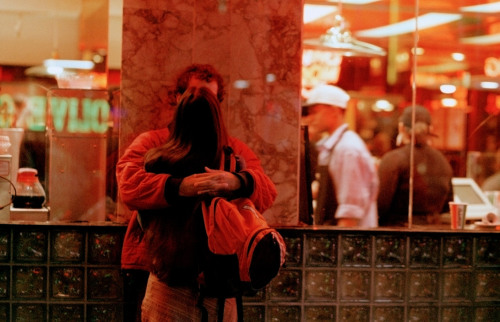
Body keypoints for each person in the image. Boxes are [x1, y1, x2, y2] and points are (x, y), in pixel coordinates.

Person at [116, 64, 277, 321]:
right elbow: (128, 186)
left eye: (208, 97)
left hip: (218, 272)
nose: (198, 101)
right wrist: (180, 187)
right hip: (159, 266)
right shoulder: (151, 144)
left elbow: (266, 191)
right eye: (193, 94)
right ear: (178, 98)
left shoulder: (232, 153)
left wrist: (237, 182)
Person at [302, 84, 379, 228]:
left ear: (334, 111)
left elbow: (350, 212)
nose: (310, 118)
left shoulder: (347, 149)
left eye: (315, 112)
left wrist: (341, 248)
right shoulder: (334, 146)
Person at [377, 105, 453, 226]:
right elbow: (448, 206)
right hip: (435, 234)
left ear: (401, 128)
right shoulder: (442, 161)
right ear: (430, 129)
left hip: (400, 235)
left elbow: (381, 206)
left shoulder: (393, 159)